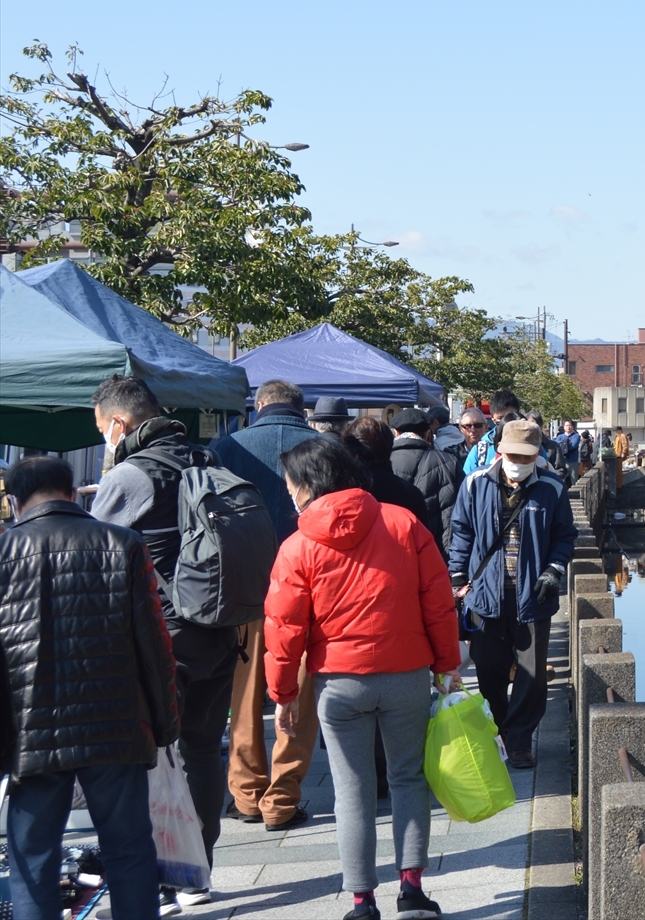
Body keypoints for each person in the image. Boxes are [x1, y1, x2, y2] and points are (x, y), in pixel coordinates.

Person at [265, 439, 461, 920]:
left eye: (290, 486)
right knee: (408, 778)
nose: (289, 494)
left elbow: (285, 628)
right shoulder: (403, 523)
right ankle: (412, 890)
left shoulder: (297, 546)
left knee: (351, 789)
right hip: (406, 674)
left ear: (308, 486)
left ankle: (361, 901)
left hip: (337, 683)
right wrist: (447, 664)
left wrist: (284, 693)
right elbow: (437, 601)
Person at [0, 456, 179, 920]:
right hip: (116, 725)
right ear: (74, 489)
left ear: (14, 501)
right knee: (129, 850)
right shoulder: (122, 543)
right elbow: (155, 645)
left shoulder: (4, 552)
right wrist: (164, 726)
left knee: (32, 860)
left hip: (29, 733)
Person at [89, 376, 243, 901]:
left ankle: (159, 877)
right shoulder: (207, 460)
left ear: (118, 425)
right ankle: (198, 870)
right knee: (203, 750)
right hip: (220, 631)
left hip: (159, 641)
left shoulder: (131, 475)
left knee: (150, 756)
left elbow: (95, 559)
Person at [209, 380, 321, 833]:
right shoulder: (323, 449)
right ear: (300, 408)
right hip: (309, 589)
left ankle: (247, 794)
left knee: (244, 699)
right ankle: (283, 797)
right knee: (296, 698)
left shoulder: (225, 446)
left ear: (258, 406)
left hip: (244, 590)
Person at [447, 419, 576, 768]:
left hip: (533, 594)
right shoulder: (475, 484)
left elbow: (565, 536)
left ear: (537, 456)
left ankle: (519, 741)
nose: (518, 462)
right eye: (513, 454)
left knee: (532, 674)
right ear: (500, 450)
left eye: (527, 456)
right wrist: (457, 574)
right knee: (489, 669)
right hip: (486, 594)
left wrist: (554, 570)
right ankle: (500, 730)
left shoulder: (552, 487)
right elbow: (460, 532)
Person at [340, 417, 437, 547]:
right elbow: (423, 547)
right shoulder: (410, 494)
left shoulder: (338, 492)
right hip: (399, 563)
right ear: (390, 446)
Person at [390, 408, 459, 549]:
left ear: (396, 433)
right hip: (438, 549)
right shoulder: (449, 461)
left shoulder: (382, 461)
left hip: (393, 546)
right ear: (428, 434)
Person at [461, 390, 523, 476]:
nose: (505, 421)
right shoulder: (480, 450)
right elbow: (468, 483)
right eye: (501, 418)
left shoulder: (531, 444)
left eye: (509, 416)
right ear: (493, 419)